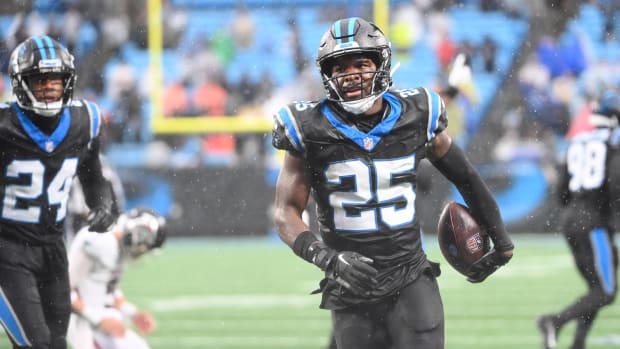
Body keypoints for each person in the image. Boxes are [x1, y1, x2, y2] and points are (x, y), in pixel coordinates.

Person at [271, 17, 514, 349]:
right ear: (328, 75)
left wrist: (502, 242)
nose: (352, 74)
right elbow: (285, 212)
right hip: (349, 286)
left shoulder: (416, 113)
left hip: (410, 277)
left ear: (382, 64)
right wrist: (327, 259)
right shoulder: (307, 128)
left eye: (361, 63)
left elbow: (467, 178)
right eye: (340, 67)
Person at [0, 35, 116, 349]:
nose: (50, 88)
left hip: (53, 248)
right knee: (35, 343)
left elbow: (93, 177)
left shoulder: (85, 121)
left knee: (55, 343)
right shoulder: (5, 126)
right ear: (21, 83)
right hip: (8, 250)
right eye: (40, 81)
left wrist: (102, 204)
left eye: (56, 80)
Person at [537, 90, 620, 349]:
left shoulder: (576, 141)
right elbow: (615, 185)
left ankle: (578, 343)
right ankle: (555, 321)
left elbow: (561, 191)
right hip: (594, 223)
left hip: (571, 220)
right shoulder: (611, 145)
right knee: (605, 292)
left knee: (596, 290)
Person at [67, 208, 166, 349]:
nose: (142, 253)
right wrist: (98, 320)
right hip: (82, 320)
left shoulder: (119, 249)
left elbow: (109, 292)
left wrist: (133, 314)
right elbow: (63, 290)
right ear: (138, 235)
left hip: (100, 317)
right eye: (145, 247)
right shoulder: (101, 243)